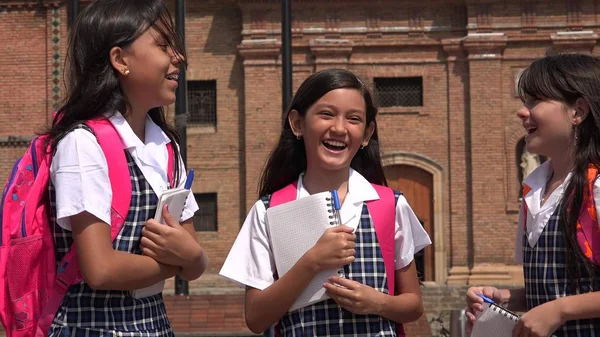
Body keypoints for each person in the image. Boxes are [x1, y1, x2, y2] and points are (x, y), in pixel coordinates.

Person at [220, 68, 431, 336]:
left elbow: (413, 305)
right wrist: (313, 262)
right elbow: (256, 318)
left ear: (366, 134)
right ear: (297, 123)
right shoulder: (268, 211)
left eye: (354, 119)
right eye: (326, 114)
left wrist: (378, 302)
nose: (339, 128)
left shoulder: (390, 205)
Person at [45, 0, 207, 335]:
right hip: (91, 328)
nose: (178, 57)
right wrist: (175, 262)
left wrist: (190, 258)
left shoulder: (166, 146)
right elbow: (101, 269)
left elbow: (194, 260)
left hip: (155, 326)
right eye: (163, 45)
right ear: (120, 60)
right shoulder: (83, 143)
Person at [466, 53, 600, 337]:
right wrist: (504, 297)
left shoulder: (596, 186)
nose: (522, 112)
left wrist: (560, 310)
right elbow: (555, 286)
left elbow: (561, 302)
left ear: (578, 111)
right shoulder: (534, 189)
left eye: (535, 100)